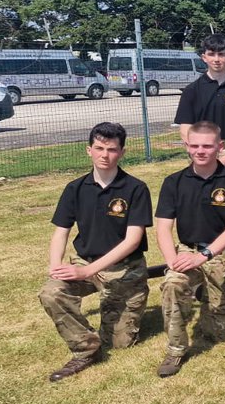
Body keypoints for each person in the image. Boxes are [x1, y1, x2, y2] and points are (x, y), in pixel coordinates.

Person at [39, 122, 152, 382]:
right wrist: (55, 265)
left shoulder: (135, 188)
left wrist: (89, 270)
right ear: (88, 150)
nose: (105, 155)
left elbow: (133, 240)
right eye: (99, 148)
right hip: (85, 264)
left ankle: (120, 312)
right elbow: (61, 232)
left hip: (125, 269)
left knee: (120, 343)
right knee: (51, 292)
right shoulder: (75, 189)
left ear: (122, 153)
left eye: (112, 149)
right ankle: (86, 348)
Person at [154, 121, 225, 377]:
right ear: (186, 146)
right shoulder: (173, 182)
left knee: (220, 335)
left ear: (220, 147)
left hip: (222, 254)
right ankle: (175, 349)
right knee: (173, 283)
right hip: (186, 250)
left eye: (207, 146)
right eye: (194, 145)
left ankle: (207, 292)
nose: (201, 151)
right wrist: (172, 260)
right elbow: (163, 228)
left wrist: (204, 256)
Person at [173, 33, 225, 176]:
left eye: (221, 54)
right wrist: (199, 152)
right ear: (204, 57)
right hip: (201, 154)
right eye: (211, 54)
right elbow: (185, 129)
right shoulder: (191, 91)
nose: (216, 59)